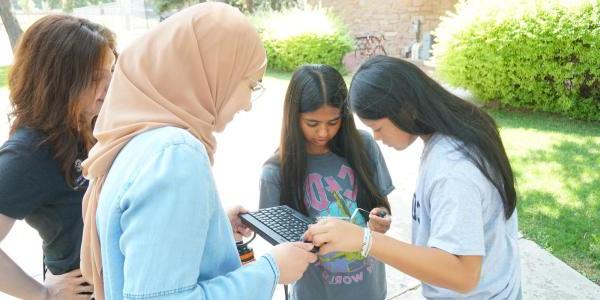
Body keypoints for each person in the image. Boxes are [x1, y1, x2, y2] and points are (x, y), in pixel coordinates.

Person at [79, 3, 316, 300]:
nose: (247, 103)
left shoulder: (136, 140)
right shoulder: (175, 155)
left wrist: (209, 227)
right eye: (250, 85)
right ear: (214, 73)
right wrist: (271, 269)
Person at [305, 56, 522, 299]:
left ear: (405, 110)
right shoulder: (451, 139)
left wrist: (363, 240)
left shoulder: (453, 170)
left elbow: (463, 274)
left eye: (378, 127)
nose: (376, 137)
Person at [0, 15, 116, 299]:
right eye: (94, 77)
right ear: (59, 80)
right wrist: (43, 294)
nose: (109, 86)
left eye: (111, 71)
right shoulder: (28, 153)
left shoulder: (93, 127)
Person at [259, 64, 394, 300]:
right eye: (312, 124)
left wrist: (380, 219)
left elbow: (381, 206)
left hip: (369, 290)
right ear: (293, 117)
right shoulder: (275, 172)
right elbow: (279, 250)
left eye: (333, 122)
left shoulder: (364, 147)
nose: (323, 133)